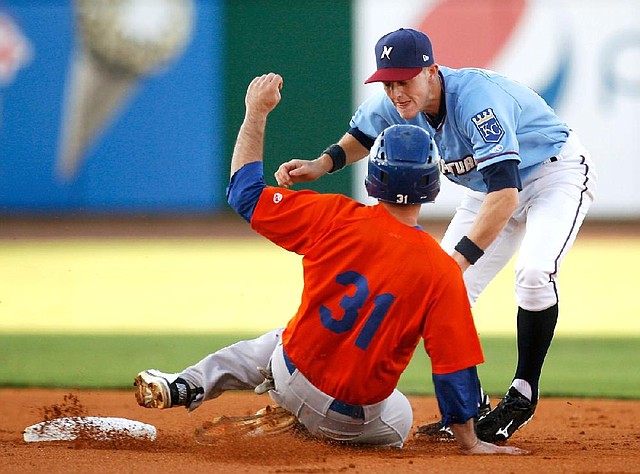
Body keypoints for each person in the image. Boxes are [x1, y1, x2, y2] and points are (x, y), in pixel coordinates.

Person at [133, 72, 526, 455]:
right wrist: (470, 442)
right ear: (431, 184)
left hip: (290, 376)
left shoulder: (334, 216)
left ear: (374, 177)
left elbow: (244, 194)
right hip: (352, 419)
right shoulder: (440, 269)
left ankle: (188, 383)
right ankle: (301, 435)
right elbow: (451, 370)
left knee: (273, 343)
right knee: (401, 415)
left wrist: (256, 113)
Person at [275, 28, 598, 443]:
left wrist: (456, 262)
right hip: (488, 189)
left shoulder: (476, 101)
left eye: (404, 80)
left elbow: (506, 194)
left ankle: (523, 392)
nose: (395, 92)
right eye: (388, 82)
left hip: (551, 175)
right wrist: (322, 165)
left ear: (431, 71)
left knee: (533, 275)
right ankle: (469, 408)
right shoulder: (399, 102)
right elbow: (361, 137)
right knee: (446, 295)